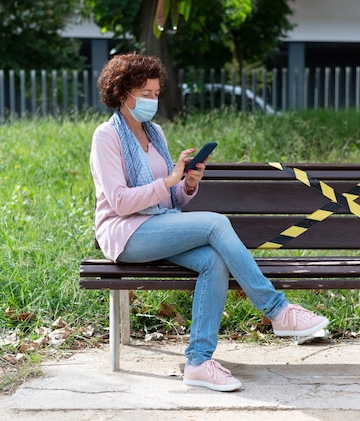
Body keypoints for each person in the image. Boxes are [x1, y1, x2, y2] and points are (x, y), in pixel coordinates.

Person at [90, 52, 329, 392]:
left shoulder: (154, 132)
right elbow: (120, 202)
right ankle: (278, 310)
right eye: (145, 95)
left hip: (161, 224)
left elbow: (171, 199)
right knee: (216, 223)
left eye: (156, 94)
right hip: (126, 234)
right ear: (122, 93)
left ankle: (199, 362)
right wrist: (170, 181)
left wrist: (187, 183)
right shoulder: (106, 137)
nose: (153, 101)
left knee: (213, 261)